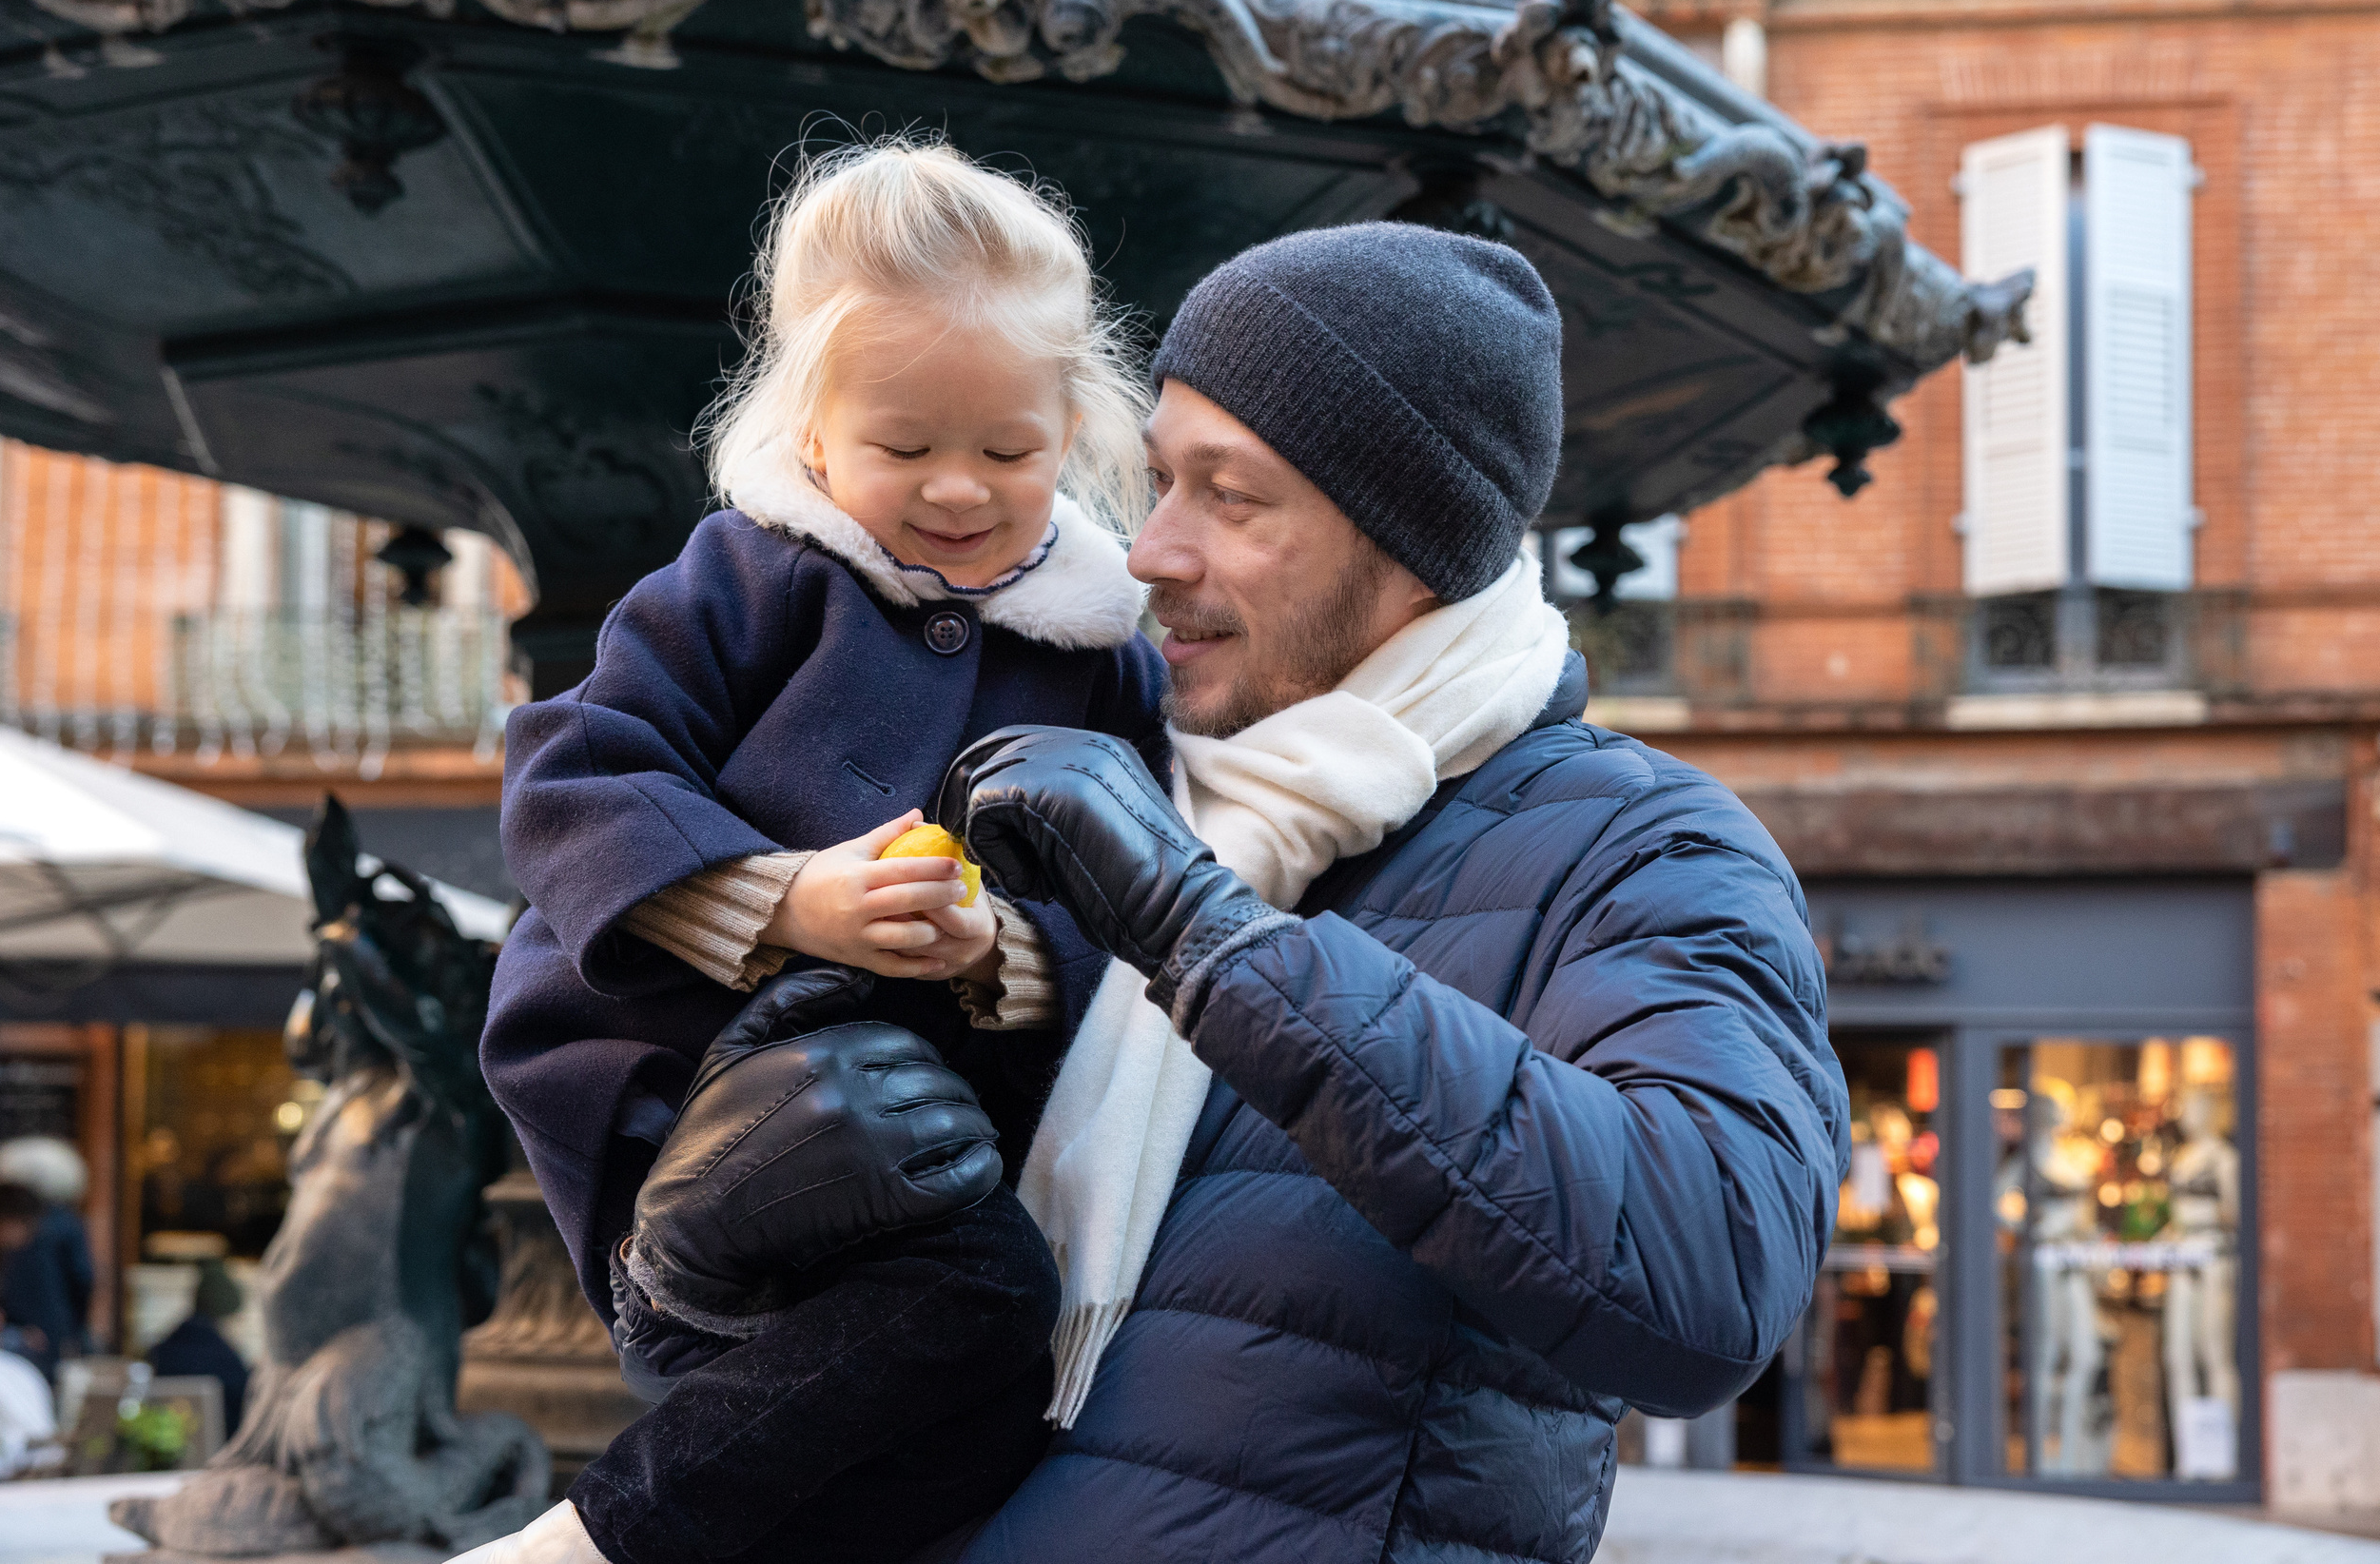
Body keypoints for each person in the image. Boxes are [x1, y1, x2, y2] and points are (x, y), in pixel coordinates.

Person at [915, 223, 1849, 1561]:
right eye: (1158, 479)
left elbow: (1711, 1277)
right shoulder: (1135, 776)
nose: (1151, 551)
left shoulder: (1646, 843)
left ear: (1413, 537)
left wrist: (1209, 940)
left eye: (1228, 495)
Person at [471, 139, 1168, 1564]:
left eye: (1011, 451)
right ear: (811, 438)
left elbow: (1153, 894)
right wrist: (787, 897)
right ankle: (583, 1542)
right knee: (981, 1297)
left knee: (975, 1418)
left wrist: (1012, 954)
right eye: (906, 448)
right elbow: (568, 771)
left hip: (927, 1141)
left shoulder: (1108, 656)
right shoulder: (755, 573)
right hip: (702, 1122)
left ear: (1077, 433)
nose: (960, 488)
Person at [0, 1139, 93, 1384]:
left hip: (28, 1329)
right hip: (43, 1329)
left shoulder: (32, 1222)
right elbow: (83, 1278)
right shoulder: (64, 1222)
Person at [146, 1260, 250, 1431]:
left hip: (163, 1447)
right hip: (219, 1451)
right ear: (225, 1316)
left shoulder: (162, 1351)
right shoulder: (228, 1363)